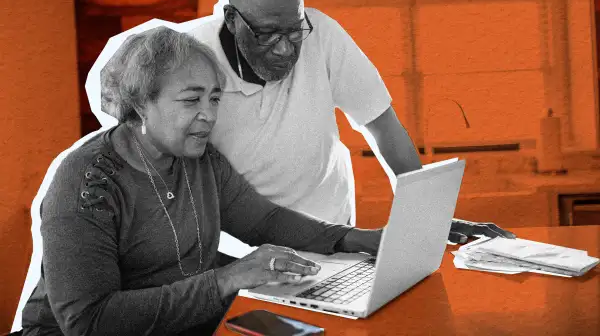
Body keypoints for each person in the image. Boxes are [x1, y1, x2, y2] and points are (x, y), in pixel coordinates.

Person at [20, 26, 381, 336]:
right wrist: (226, 280)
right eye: (192, 100)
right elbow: (87, 322)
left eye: (214, 98)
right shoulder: (87, 184)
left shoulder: (201, 160)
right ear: (142, 103)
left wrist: (356, 239)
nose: (208, 115)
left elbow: (265, 221)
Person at [185, 0, 516, 244]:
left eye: (294, 32)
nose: (285, 49)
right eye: (268, 34)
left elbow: (383, 125)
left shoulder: (323, 36)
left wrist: (427, 217)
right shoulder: (191, 59)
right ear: (231, 19)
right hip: (239, 241)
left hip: (331, 230)